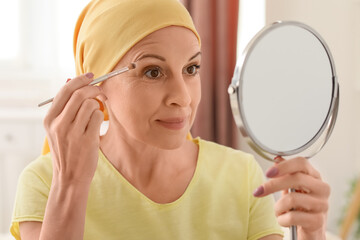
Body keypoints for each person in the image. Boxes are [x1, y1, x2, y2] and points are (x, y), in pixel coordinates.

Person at [11, 0, 330, 239]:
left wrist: (311, 234)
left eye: (191, 69)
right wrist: (70, 185)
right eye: (152, 71)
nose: (183, 96)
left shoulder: (241, 176)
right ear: (96, 85)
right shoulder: (44, 182)